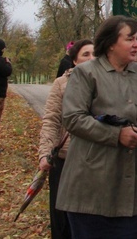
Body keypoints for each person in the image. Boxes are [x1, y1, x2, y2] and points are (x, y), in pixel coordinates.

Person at [56, 16, 137, 238]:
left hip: (132, 188)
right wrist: (116, 135)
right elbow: (73, 118)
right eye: (130, 39)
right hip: (91, 187)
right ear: (110, 43)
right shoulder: (85, 73)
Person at [39, 39, 94, 239]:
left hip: (95, 160)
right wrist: (45, 153)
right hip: (65, 159)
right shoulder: (61, 83)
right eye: (86, 54)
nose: (91, 58)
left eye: (95, 54)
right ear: (75, 61)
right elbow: (51, 120)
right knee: (62, 219)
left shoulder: (107, 83)